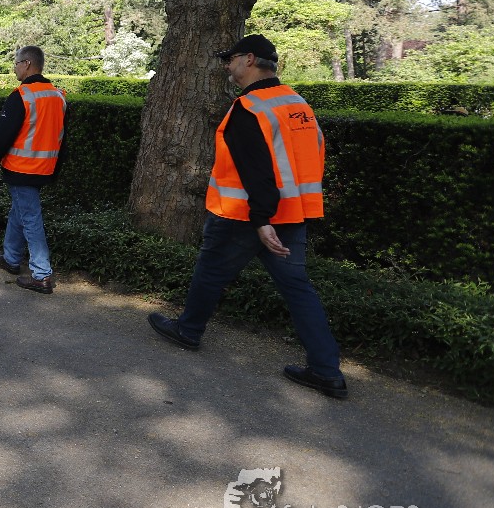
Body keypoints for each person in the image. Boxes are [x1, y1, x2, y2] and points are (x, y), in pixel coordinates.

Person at [147, 34, 348, 399]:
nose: (228, 65)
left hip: (245, 215)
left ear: (250, 60)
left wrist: (261, 219)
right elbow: (313, 153)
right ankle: (327, 371)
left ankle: (188, 330)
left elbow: (257, 170)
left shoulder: (249, 108)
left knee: (211, 271)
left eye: (232, 58)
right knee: (298, 288)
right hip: (291, 214)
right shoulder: (297, 103)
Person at [0, 46, 66, 293]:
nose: (15, 68)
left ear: (27, 64)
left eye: (16, 63)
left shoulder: (22, 95)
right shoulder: (58, 96)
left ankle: (42, 274)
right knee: (20, 211)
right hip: (44, 168)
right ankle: (11, 257)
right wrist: (55, 170)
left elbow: (2, 137)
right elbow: (62, 139)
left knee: (30, 218)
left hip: (21, 168)